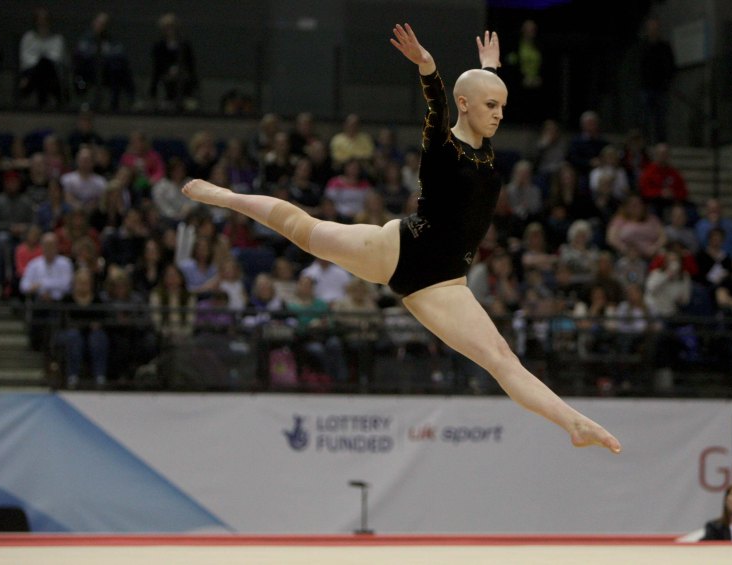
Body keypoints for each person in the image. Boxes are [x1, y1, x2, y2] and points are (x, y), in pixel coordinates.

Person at [182, 23, 620, 453]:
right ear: (464, 104)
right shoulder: (442, 146)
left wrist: (490, 68)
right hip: (397, 250)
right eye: (491, 105)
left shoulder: (484, 142)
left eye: (502, 107)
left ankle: (573, 422)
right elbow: (439, 108)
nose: (499, 114)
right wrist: (427, 66)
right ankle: (225, 197)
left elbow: (479, 93)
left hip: (445, 285)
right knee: (303, 230)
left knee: (502, 359)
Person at [149, 12, 198, 113]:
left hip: (182, 73)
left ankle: (185, 100)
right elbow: (158, 64)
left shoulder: (184, 44)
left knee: (183, 79)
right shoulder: (159, 46)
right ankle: (168, 100)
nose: (170, 30)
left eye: (172, 26)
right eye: (167, 27)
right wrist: (169, 69)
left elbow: (190, 62)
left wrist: (180, 69)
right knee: (168, 80)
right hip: (165, 73)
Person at [637, 17, 675, 144]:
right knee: (645, 118)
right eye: (651, 28)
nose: (653, 30)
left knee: (660, 119)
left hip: (661, 88)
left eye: (655, 28)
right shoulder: (643, 47)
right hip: (647, 87)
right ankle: (645, 142)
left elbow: (670, 65)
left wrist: (667, 81)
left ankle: (661, 143)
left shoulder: (664, 47)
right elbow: (640, 66)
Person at [18, 7, 65, 108]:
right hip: (31, 71)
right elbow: (25, 58)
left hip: (51, 72)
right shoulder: (28, 37)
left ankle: (39, 99)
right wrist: (40, 61)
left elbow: (57, 58)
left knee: (45, 65)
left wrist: (41, 60)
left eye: (45, 20)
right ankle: (44, 101)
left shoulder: (57, 39)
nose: (42, 23)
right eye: (39, 20)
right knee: (41, 68)